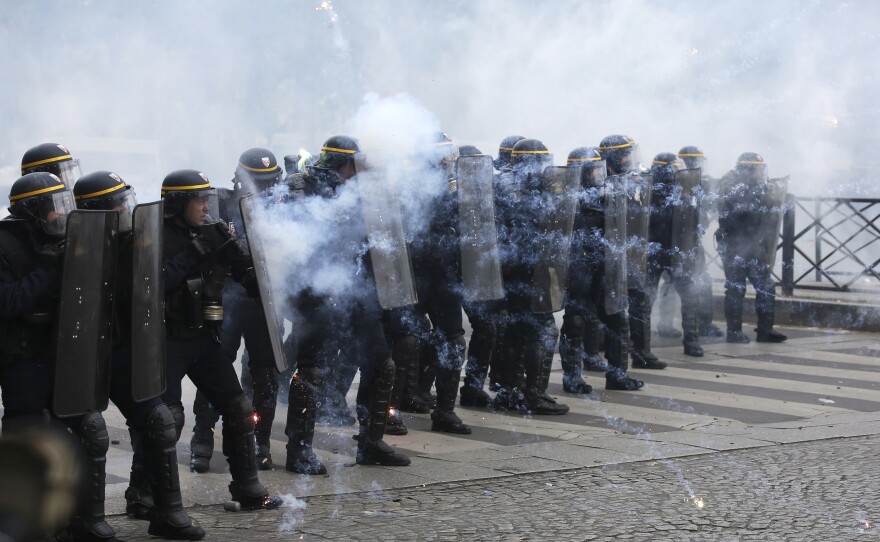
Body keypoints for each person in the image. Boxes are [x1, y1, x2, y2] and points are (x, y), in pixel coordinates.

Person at [73, 171, 205, 540]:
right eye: (117, 204)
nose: (125, 209)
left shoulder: (134, 245)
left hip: (118, 351)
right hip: (80, 358)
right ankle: (82, 519)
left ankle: (166, 513)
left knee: (160, 421)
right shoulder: (69, 248)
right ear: (99, 212)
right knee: (90, 431)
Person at [1, 168, 124, 542]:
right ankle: (24, 523)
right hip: (22, 359)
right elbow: (8, 302)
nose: (61, 213)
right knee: (30, 442)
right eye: (54, 207)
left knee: (86, 430)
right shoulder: (4, 244)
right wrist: (47, 269)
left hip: (62, 353)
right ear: (33, 210)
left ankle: (81, 518)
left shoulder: (61, 238)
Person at [283, 135, 411, 473]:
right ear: (342, 164)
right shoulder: (303, 188)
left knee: (381, 365)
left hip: (357, 292)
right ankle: (299, 451)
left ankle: (371, 442)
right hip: (319, 294)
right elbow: (294, 241)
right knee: (312, 371)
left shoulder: (361, 193)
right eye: (356, 165)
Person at [157, 169, 282, 510]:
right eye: (197, 199)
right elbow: (155, 282)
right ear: (178, 203)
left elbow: (238, 263)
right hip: (167, 339)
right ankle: (151, 499)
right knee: (164, 420)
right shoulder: (156, 235)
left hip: (202, 336)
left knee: (238, 407)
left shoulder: (211, 230)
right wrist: (193, 252)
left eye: (205, 198)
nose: (204, 205)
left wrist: (256, 280)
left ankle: (248, 488)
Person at [189, 148, 287, 473]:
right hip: (227, 296)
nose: (264, 189)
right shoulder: (218, 202)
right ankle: (202, 438)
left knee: (265, 374)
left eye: (269, 182)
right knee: (214, 368)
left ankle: (260, 443)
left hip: (263, 299)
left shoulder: (284, 209)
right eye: (258, 182)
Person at [385, 133, 471, 435]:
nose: (449, 161)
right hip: (414, 276)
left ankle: (444, 412)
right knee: (404, 342)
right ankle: (389, 410)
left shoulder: (454, 191)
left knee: (454, 341)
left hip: (445, 278)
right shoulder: (406, 189)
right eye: (442, 155)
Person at [492, 138, 570, 414]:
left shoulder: (503, 185)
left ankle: (510, 391)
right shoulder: (529, 192)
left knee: (515, 331)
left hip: (511, 271)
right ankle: (535, 394)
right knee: (544, 330)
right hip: (530, 271)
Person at [716, 152, 788, 343]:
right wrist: (761, 190)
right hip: (734, 244)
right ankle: (733, 332)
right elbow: (741, 204)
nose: (761, 173)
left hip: (755, 243)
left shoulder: (756, 185)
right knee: (735, 288)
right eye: (757, 170)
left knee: (765, 287)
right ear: (747, 170)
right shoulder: (728, 182)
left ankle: (765, 330)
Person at [644, 153, 704, 357]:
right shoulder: (647, 191)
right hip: (653, 253)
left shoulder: (684, 192)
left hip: (677, 252)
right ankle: (641, 347)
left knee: (690, 296)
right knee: (645, 299)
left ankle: (692, 341)